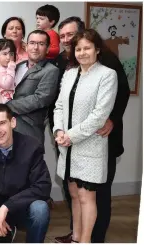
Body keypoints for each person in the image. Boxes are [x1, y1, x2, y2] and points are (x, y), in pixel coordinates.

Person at [53, 17, 130, 244]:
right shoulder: (69, 74)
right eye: (78, 49)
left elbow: (99, 115)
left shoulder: (107, 75)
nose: (82, 53)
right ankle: (76, 237)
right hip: (67, 146)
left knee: (88, 197)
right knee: (74, 194)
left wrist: (70, 136)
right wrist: (59, 131)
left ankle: (86, 240)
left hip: (90, 144)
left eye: (87, 48)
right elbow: (58, 105)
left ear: (97, 50)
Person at [0, 104, 51, 243]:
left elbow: (43, 186)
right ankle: (5, 233)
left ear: (13, 122)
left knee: (40, 209)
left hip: (23, 208)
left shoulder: (31, 146)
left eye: (2, 123)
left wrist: (7, 206)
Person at [7, 30, 59, 145]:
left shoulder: (51, 70)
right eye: (32, 43)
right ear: (26, 46)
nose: (35, 47)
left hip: (29, 131)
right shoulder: (17, 66)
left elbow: (40, 99)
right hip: (7, 129)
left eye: (41, 44)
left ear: (48, 48)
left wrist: (7, 105)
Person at [0, 38, 17, 103]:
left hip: (9, 100)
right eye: (4, 54)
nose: (8, 57)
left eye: (11, 54)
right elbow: (6, 85)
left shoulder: (8, 68)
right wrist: (11, 68)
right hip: (0, 103)